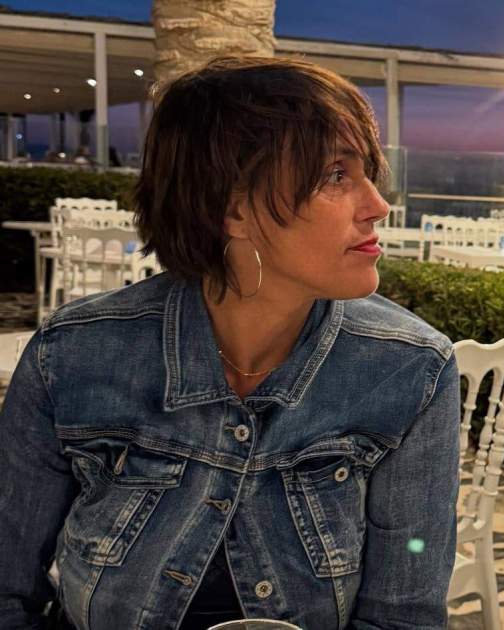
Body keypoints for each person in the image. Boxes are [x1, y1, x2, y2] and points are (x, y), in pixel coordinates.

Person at [0, 57, 461, 629]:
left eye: (367, 173)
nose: (378, 206)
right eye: (335, 176)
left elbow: (402, 618)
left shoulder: (409, 368)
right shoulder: (73, 356)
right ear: (234, 207)